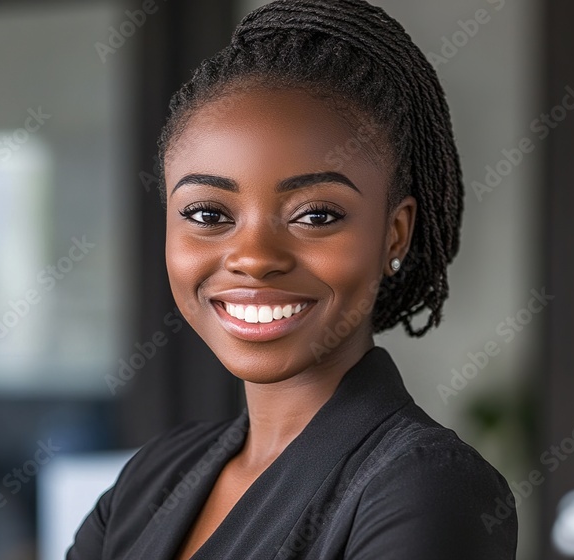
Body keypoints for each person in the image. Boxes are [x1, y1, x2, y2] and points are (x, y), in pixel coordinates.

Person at [67, 0, 518, 558]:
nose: (254, 257)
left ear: (394, 235)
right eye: (209, 215)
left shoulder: (425, 486)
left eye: (316, 216)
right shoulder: (154, 477)